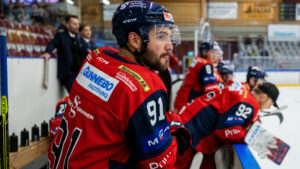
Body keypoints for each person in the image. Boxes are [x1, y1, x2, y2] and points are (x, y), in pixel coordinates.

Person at [48, 1, 190, 169]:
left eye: (169, 35)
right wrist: (175, 131)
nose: (170, 45)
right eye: (161, 36)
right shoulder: (146, 86)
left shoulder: (95, 57)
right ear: (135, 40)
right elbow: (158, 163)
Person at [175, 81, 280, 169]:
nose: (269, 107)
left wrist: (252, 119)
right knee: (177, 165)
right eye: (270, 103)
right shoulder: (248, 104)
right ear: (263, 97)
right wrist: (250, 137)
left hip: (189, 121)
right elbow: (225, 131)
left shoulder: (245, 90)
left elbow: (232, 109)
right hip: (190, 130)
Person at [42, 15, 88, 93]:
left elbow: (85, 51)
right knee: (76, 94)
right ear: (67, 24)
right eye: (74, 24)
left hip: (79, 73)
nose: (77, 26)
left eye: (78, 24)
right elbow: (53, 43)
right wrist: (48, 52)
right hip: (67, 74)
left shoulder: (79, 38)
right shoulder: (61, 35)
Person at [174, 41, 222, 112]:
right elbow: (211, 88)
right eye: (212, 52)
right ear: (204, 52)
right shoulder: (206, 64)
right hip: (189, 102)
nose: (215, 55)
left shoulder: (197, 60)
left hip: (183, 98)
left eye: (216, 53)